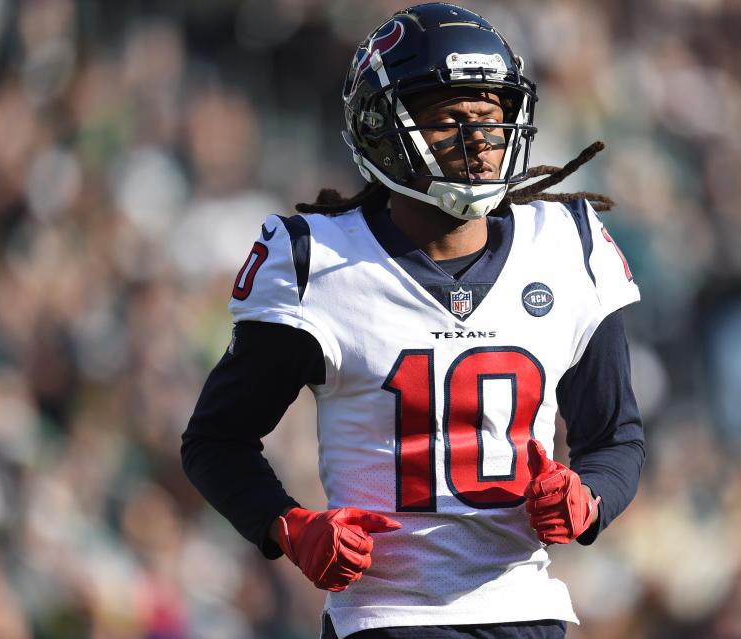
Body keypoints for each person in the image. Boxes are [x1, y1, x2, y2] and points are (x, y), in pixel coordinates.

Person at [181, 3, 645, 638]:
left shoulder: (568, 246)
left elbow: (616, 440)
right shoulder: (318, 262)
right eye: (451, 118)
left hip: (528, 612)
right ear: (381, 129)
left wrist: (588, 499)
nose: (480, 139)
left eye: (490, 116)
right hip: (386, 619)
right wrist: (288, 526)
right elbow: (216, 441)